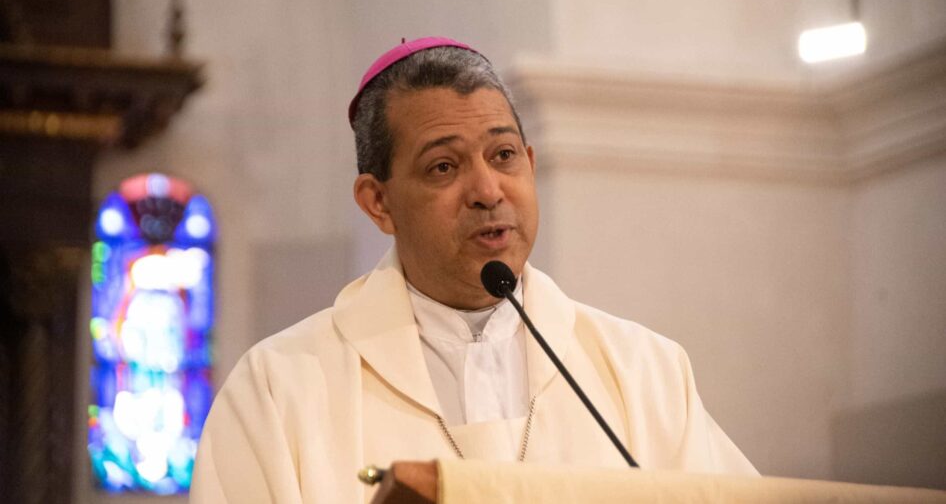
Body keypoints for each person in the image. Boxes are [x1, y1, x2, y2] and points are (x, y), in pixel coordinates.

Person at [190, 37, 757, 503]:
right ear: (378, 202)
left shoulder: (645, 371)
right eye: (443, 166)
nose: (487, 190)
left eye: (503, 155)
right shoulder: (280, 387)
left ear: (529, 164)